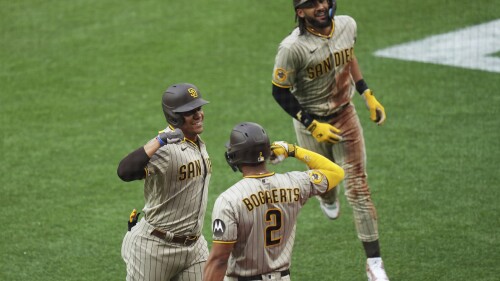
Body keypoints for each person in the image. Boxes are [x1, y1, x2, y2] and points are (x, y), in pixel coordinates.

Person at [270, 0, 389, 280]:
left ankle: (374, 264)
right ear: (301, 12)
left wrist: (366, 92)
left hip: (345, 114)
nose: (320, 6)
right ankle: (327, 196)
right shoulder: (291, 48)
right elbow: (280, 92)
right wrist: (312, 124)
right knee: (325, 184)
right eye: (311, 4)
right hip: (311, 123)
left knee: (358, 186)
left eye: (323, 0)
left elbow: (348, 56)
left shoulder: (348, 24)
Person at [203, 122, 345, 281]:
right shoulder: (296, 184)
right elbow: (336, 172)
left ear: (235, 156)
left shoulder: (229, 200)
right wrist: (292, 150)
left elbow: (220, 259)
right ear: (268, 152)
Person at [117, 82, 212, 281]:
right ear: (174, 116)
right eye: (190, 111)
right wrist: (159, 141)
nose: (198, 115)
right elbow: (125, 171)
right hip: (155, 248)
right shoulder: (166, 148)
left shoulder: (197, 143)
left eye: (199, 108)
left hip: (195, 248)